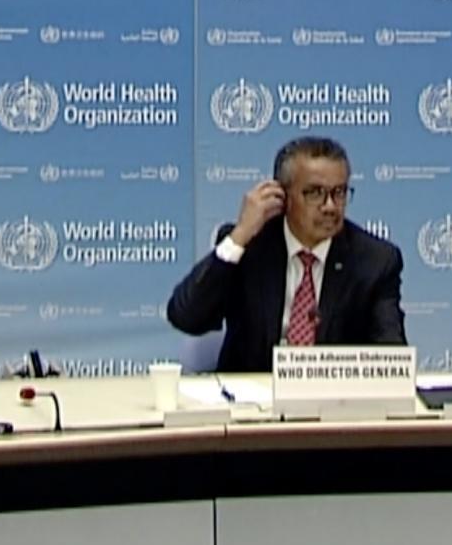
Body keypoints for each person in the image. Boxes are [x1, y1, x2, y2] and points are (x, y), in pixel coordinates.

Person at [167, 136, 405, 372]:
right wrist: (240, 235)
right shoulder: (251, 247)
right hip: (252, 400)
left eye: (339, 192)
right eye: (315, 193)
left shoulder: (374, 260)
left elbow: (391, 357)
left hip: (333, 401)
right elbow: (186, 317)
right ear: (282, 196)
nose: (330, 206)